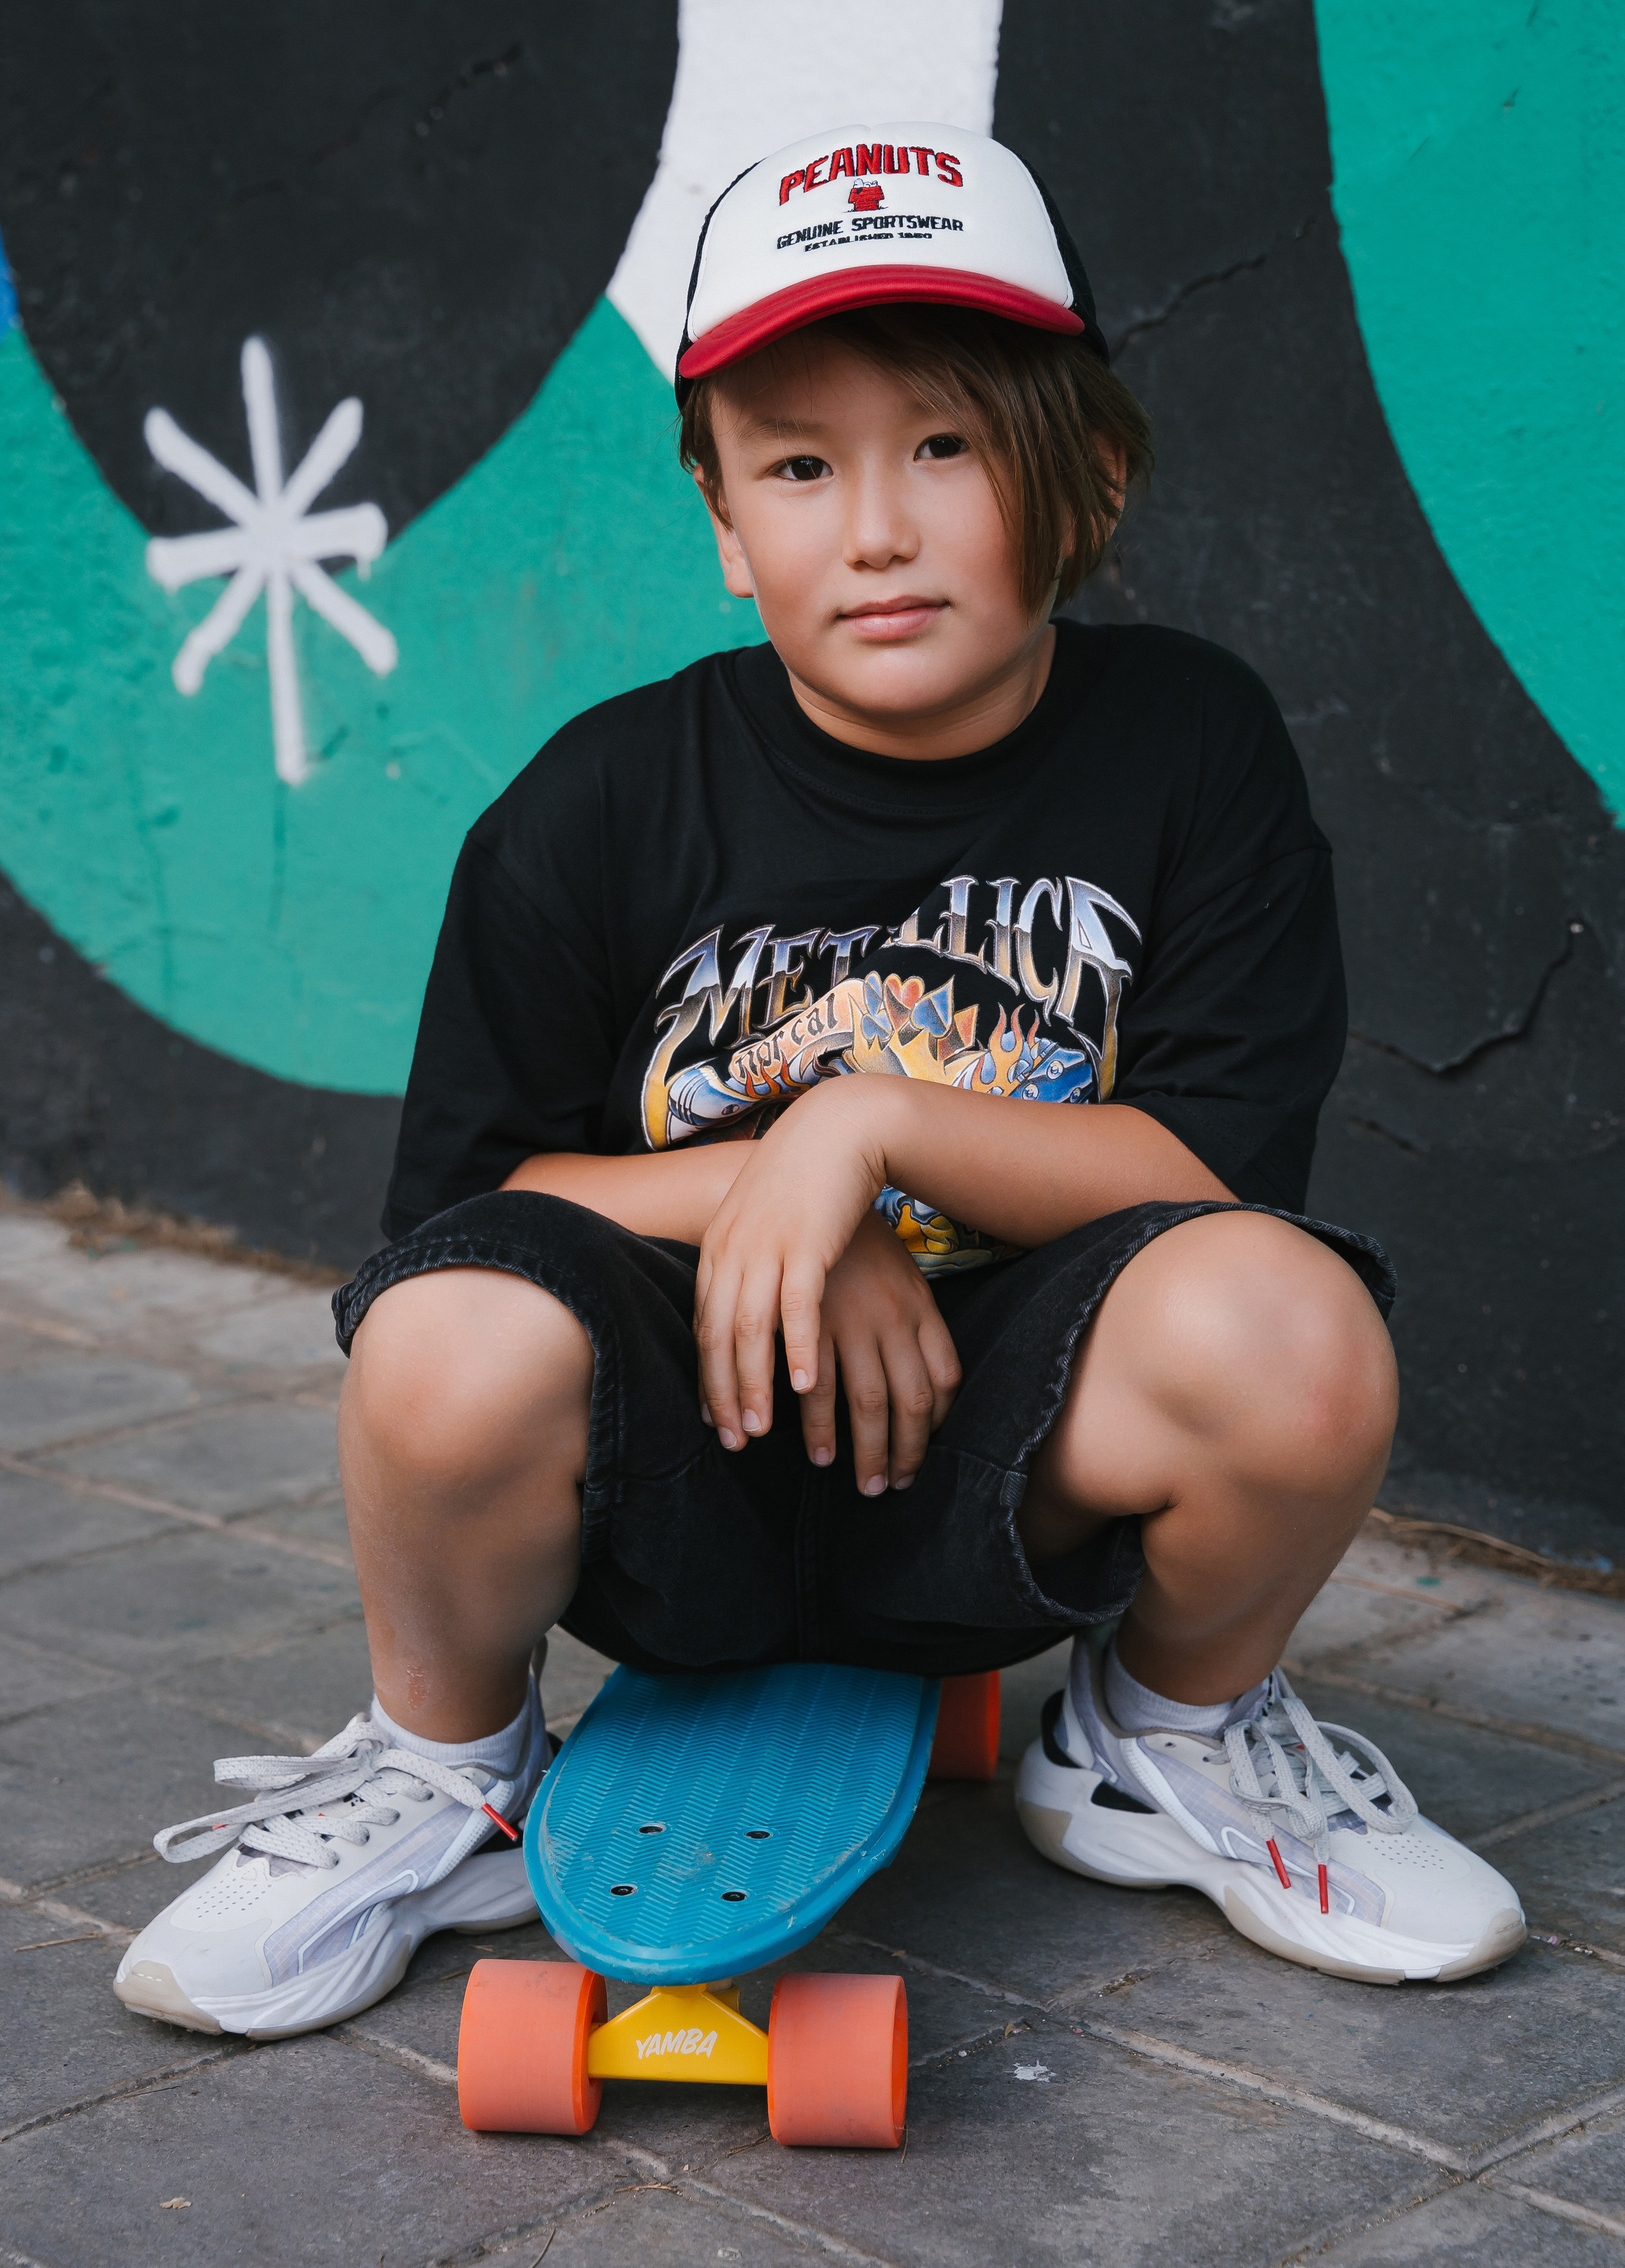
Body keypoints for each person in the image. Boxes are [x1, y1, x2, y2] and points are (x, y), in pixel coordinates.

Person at [115, 123, 1523, 2039]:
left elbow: (1203, 1170)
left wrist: (864, 1130)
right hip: (674, 1468)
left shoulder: (1191, 745)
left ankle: (1161, 1740)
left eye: (944, 445)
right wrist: (756, 1194)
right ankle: (445, 1773)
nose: (875, 526)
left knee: (1293, 1320)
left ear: (1089, 467)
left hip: (1013, 1480)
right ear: (721, 520)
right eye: (797, 465)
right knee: (443, 1337)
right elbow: (464, 1208)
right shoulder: (596, 804)